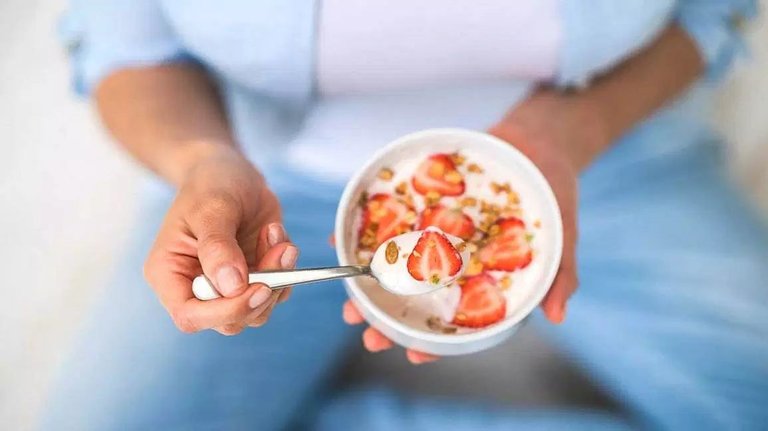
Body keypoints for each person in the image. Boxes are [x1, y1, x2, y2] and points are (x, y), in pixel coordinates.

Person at [44, 1, 768, 429]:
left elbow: (710, 8)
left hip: (599, 152)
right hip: (265, 185)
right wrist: (201, 160)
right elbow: (123, 43)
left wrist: (576, 128)